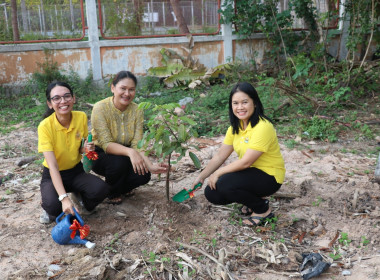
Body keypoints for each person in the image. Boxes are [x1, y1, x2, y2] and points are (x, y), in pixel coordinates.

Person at [191, 82, 285, 226]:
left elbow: (245, 162)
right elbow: (220, 156)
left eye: (244, 102)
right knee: (212, 193)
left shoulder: (263, 127)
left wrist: (218, 173)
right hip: (252, 173)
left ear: (254, 103)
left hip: (270, 176)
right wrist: (201, 177)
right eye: (235, 103)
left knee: (223, 183)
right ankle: (254, 200)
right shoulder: (235, 128)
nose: (240, 107)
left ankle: (262, 210)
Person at [91, 71, 168, 204]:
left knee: (144, 174)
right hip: (99, 154)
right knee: (118, 163)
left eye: (131, 90)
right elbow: (106, 143)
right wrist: (131, 152)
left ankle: (117, 187)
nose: (127, 94)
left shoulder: (137, 110)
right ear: (113, 88)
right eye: (123, 88)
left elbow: (137, 143)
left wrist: (150, 165)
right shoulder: (100, 108)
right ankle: (112, 193)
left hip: (125, 153)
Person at [38, 81, 110, 224]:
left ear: (73, 98)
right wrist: (64, 199)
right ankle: (50, 206)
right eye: (56, 98)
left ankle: (80, 199)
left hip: (75, 171)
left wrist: (86, 149)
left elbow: (80, 148)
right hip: (53, 174)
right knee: (54, 207)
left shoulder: (81, 117)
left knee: (101, 189)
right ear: (50, 104)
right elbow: (53, 166)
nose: (63, 101)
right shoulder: (45, 126)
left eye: (67, 96)